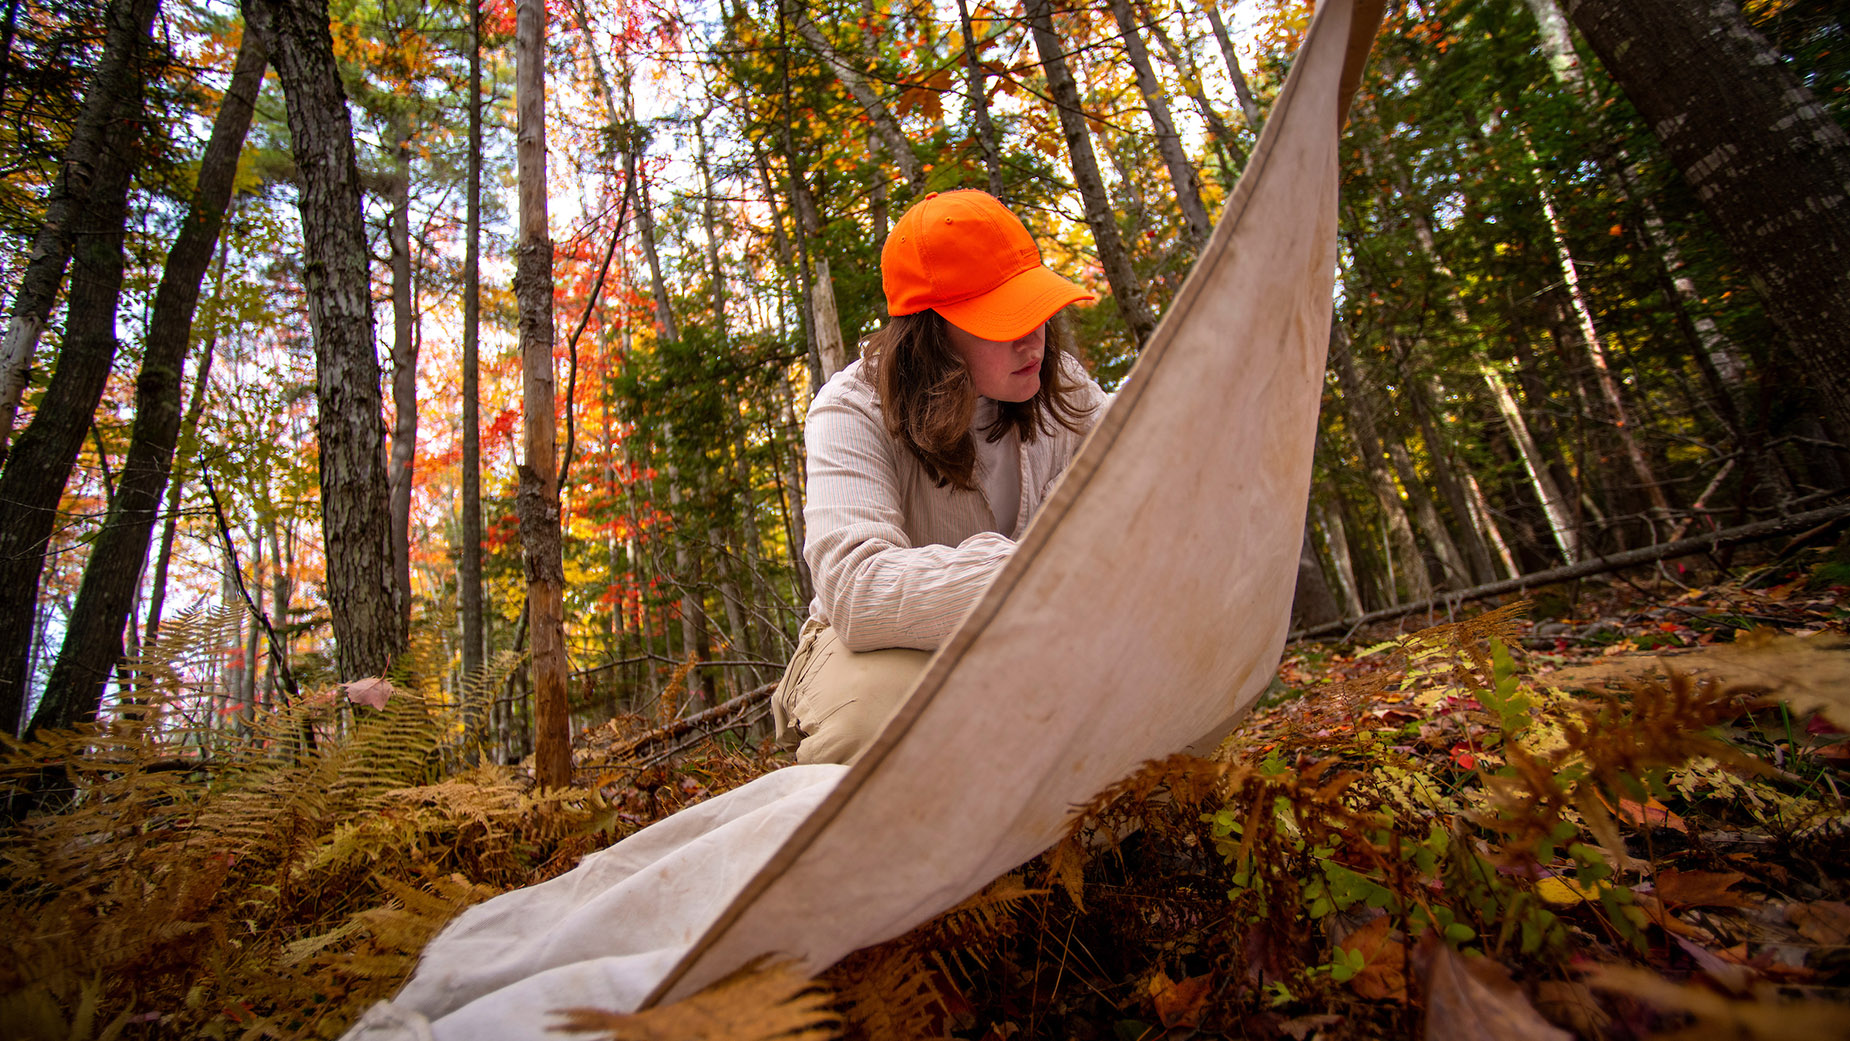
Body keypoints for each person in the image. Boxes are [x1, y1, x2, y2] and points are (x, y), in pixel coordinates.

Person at [772, 189, 1114, 764]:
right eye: (1004, 319)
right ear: (933, 334)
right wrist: (1044, 569)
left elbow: (1131, 493)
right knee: (871, 727)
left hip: (1035, 632)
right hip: (879, 647)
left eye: (1036, 307)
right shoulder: (851, 408)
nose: (1034, 336)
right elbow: (857, 591)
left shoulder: (1065, 389)